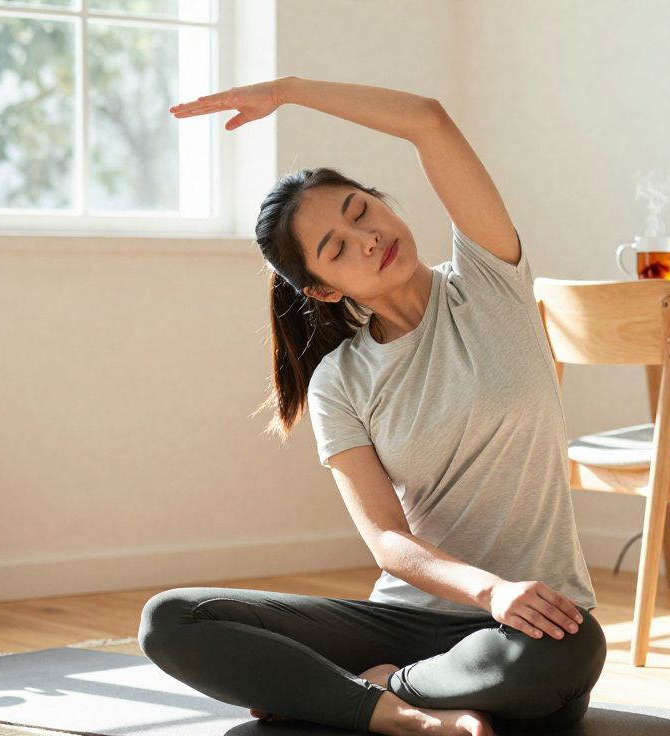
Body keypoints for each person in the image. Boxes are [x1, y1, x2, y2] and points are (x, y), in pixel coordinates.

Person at [138, 76, 605, 736]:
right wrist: (487, 588)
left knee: (572, 644)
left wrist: (291, 90)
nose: (366, 237)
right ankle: (399, 716)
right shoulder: (341, 380)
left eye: (360, 210)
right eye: (335, 247)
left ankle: (374, 690)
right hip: (407, 618)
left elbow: (430, 121)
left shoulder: (489, 285)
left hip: (523, 627)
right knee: (170, 620)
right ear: (323, 290)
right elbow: (388, 539)